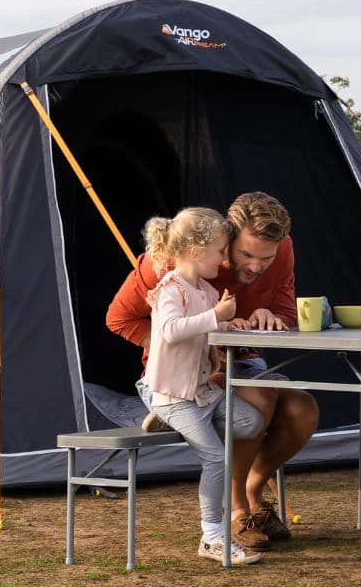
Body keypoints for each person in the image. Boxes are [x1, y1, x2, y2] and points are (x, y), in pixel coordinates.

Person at [106, 192, 319, 547]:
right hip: (185, 378)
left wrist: (273, 317)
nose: (255, 266)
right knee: (260, 396)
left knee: (304, 411)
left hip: (246, 361)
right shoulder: (175, 261)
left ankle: (253, 490)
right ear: (226, 239)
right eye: (245, 255)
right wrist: (192, 351)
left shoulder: (281, 250)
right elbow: (120, 318)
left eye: (264, 258)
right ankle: (235, 513)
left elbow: (285, 304)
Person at [138, 207, 267, 565]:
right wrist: (215, 317)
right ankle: (212, 537)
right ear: (196, 252)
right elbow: (171, 331)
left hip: (202, 393)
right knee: (214, 457)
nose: (224, 259)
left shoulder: (208, 291)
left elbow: (209, 330)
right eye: (220, 252)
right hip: (174, 394)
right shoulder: (169, 289)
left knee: (251, 422)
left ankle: (181, 425)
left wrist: (232, 324)